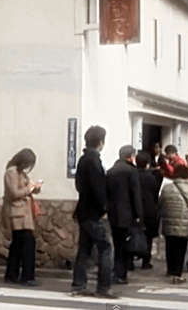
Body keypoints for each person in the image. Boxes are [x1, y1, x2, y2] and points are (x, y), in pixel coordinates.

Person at [71, 126, 116, 299]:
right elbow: (98, 189)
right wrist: (103, 209)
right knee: (106, 248)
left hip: (83, 210)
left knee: (85, 248)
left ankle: (79, 284)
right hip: (94, 212)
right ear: (100, 142)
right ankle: (104, 287)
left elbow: (79, 186)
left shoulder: (83, 160)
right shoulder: (95, 161)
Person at [2, 148, 42, 287]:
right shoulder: (11, 172)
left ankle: (11, 275)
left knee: (17, 245)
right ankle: (26, 276)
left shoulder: (21, 173)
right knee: (27, 244)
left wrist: (35, 187)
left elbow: (25, 189)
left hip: (24, 213)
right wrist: (29, 189)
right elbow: (14, 193)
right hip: (16, 213)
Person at [106, 145, 143, 285]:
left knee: (116, 244)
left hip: (113, 213)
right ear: (131, 156)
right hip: (127, 214)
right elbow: (136, 195)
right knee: (125, 246)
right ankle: (122, 274)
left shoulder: (111, 171)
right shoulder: (131, 171)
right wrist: (138, 215)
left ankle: (116, 272)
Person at [158, 165, 188, 284]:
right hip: (183, 222)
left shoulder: (167, 188)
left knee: (169, 246)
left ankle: (170, 270)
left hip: (168, 221)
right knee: (180, 248)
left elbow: (160, 204)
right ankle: (177, 274)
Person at [135, 152, 161, 270]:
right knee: (148, 236)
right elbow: (156, 194)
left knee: (132, 234)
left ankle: (130, 260)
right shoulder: (152, 178)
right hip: (149, 209)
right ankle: (146, 261)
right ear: (147, 164)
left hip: (135, 208)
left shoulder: (133, 175)